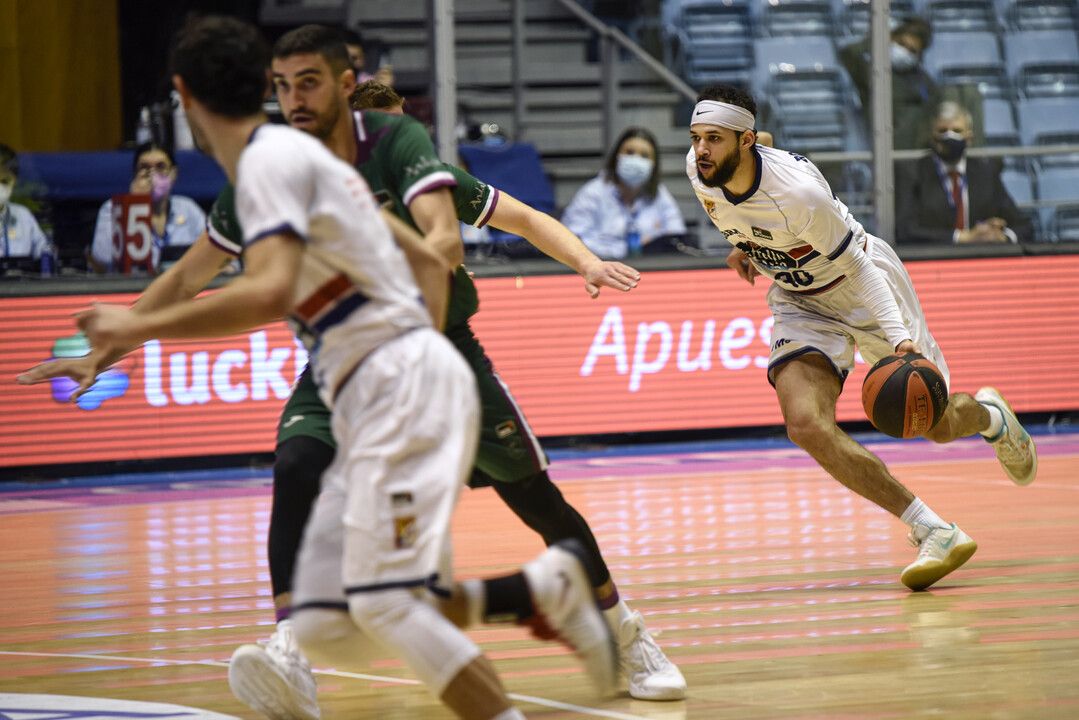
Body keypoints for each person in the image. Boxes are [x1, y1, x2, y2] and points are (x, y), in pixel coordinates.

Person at [23, 15, 616, 720]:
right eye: (287, 84)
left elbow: (270, 290)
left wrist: (140, 325)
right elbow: (424, 261)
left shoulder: (275, 166)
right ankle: (544, 590)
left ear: (183, 96)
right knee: (334, 619)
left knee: (387, 607)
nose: (298, 98)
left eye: (308, 83)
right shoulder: (294, 166)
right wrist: (109, 350)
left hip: (399, 389)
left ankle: (549, 593)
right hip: (383, 383)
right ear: (266, 88)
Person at [686, 84, 1038, 593]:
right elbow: (744, 197)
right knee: (805, 424)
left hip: (862, 287)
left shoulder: (799, 195)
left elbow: (861, 270)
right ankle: (930, 528)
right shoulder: (703, 168)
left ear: (743, 142)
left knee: (934, 425)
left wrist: (898, 343)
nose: (700, 150)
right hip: (800, 300)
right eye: (696, 137)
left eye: (713, 139)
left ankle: (991, 418)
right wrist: (748, 246)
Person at [895, 102, 1032, 245]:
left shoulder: (986, 172)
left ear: (969, 138)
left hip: (981, 258)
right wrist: (962, 238)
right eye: (942, 131)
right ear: (932, 137)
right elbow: (905, 230)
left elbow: (1024, 225)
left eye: (957, 130)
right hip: (934, 259)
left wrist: (1001, 236)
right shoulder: (912, 173)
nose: (949, 136)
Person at [839, 16, 985, 151]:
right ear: (890, 39)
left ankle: (976, 159)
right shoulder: (870, 71)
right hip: (893, 139)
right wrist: (878, 39)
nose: (903, 52)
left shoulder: (919, 76)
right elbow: (847, 54)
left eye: (912, 50)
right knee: (939, 101)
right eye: (901, 44)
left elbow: (936, 101)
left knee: (968, 92)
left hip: (924, 135)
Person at [562, 126, 686, 259]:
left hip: (650, 270)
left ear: (654, 164)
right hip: (601, 268)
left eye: (645, 156)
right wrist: (624, 251)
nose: (636, 160)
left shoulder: (659, 194)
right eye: (629, 152)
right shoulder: (593, 193)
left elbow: (676, 236)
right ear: (617, 156)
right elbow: (572, 241)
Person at [88, 142, 205, 274]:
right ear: (134, 174)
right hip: (132, 288)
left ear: (174, 174)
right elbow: (103, 258)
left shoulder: (189, 210)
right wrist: (135, 204)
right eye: (144, 168)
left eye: (161, 167)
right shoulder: (113, 208)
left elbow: (211, 256)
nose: (152, 176)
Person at [0, 143, 54, 275]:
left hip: (21, 289)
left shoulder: (22, 215)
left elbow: (44, 251)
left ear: (15, 182)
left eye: (5, 181)